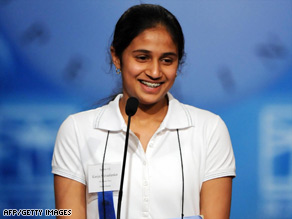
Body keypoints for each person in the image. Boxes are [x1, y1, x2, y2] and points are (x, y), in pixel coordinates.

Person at [52, 4, 236, 219]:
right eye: (142, 58)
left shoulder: (209, 130)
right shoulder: (77, 131)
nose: (155, 72)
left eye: (167, 60)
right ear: (116, 56)